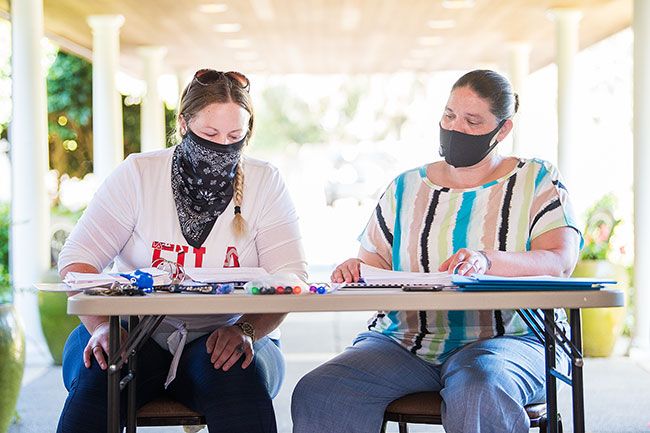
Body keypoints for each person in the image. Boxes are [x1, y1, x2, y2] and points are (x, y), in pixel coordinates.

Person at [291, 69, 582, 433]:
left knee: (479, 389)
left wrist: (488, 260)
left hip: (509, 341)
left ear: (503, 130)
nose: (455, 128)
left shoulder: (536, 179)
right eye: (449, 115)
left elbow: (559, 260)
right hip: (405, 342)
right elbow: (375, 264)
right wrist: (356, 269)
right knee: (322, 392)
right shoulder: (405, 187)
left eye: (472, 121)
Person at [57, 69, 307, 433]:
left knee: (237, 379)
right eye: (209, 134)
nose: (223, 146)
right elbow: (76, 261)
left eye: (235, 136)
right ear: (183, 124)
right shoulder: (139, 174)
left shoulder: (265, 181)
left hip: (229, 331)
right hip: (133, 331)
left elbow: (291, 276)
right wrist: (100, 327)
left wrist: (248, 330)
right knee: (102, 378)